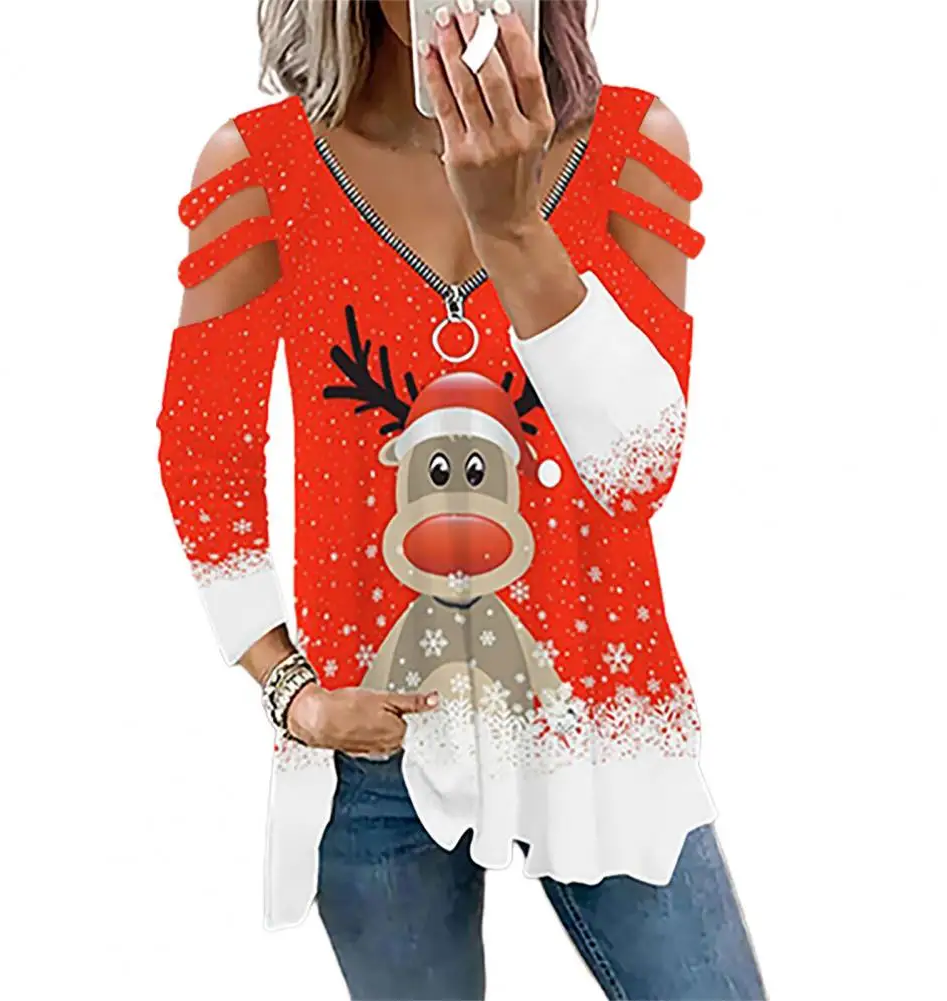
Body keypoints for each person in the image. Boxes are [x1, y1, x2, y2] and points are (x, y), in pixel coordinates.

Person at [156, 1, 767, 997]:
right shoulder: (264, 166)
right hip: (375, 748)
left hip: (602, 732)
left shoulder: (630, 146)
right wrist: (286, 687)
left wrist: (513, 226)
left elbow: (639, 468)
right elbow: (204, 447)